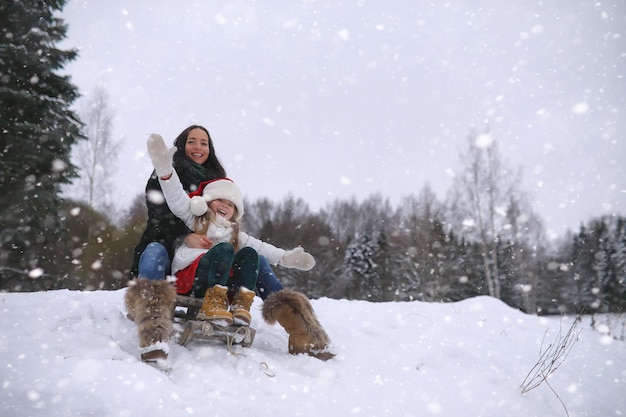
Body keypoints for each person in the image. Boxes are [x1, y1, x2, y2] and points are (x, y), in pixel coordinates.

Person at [125, 127, 335, 361]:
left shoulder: (218, 183)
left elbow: (255, 244)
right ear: (181, 145)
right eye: (192, 141)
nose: (198, 147)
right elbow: (162, 215)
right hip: (171, 257)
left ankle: (303, 332)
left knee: (254, 256)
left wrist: (286, 257)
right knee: (156, 251)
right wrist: (182, 234)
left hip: (216, 273)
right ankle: (153, 334)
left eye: (204, 143)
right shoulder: (184, 199)